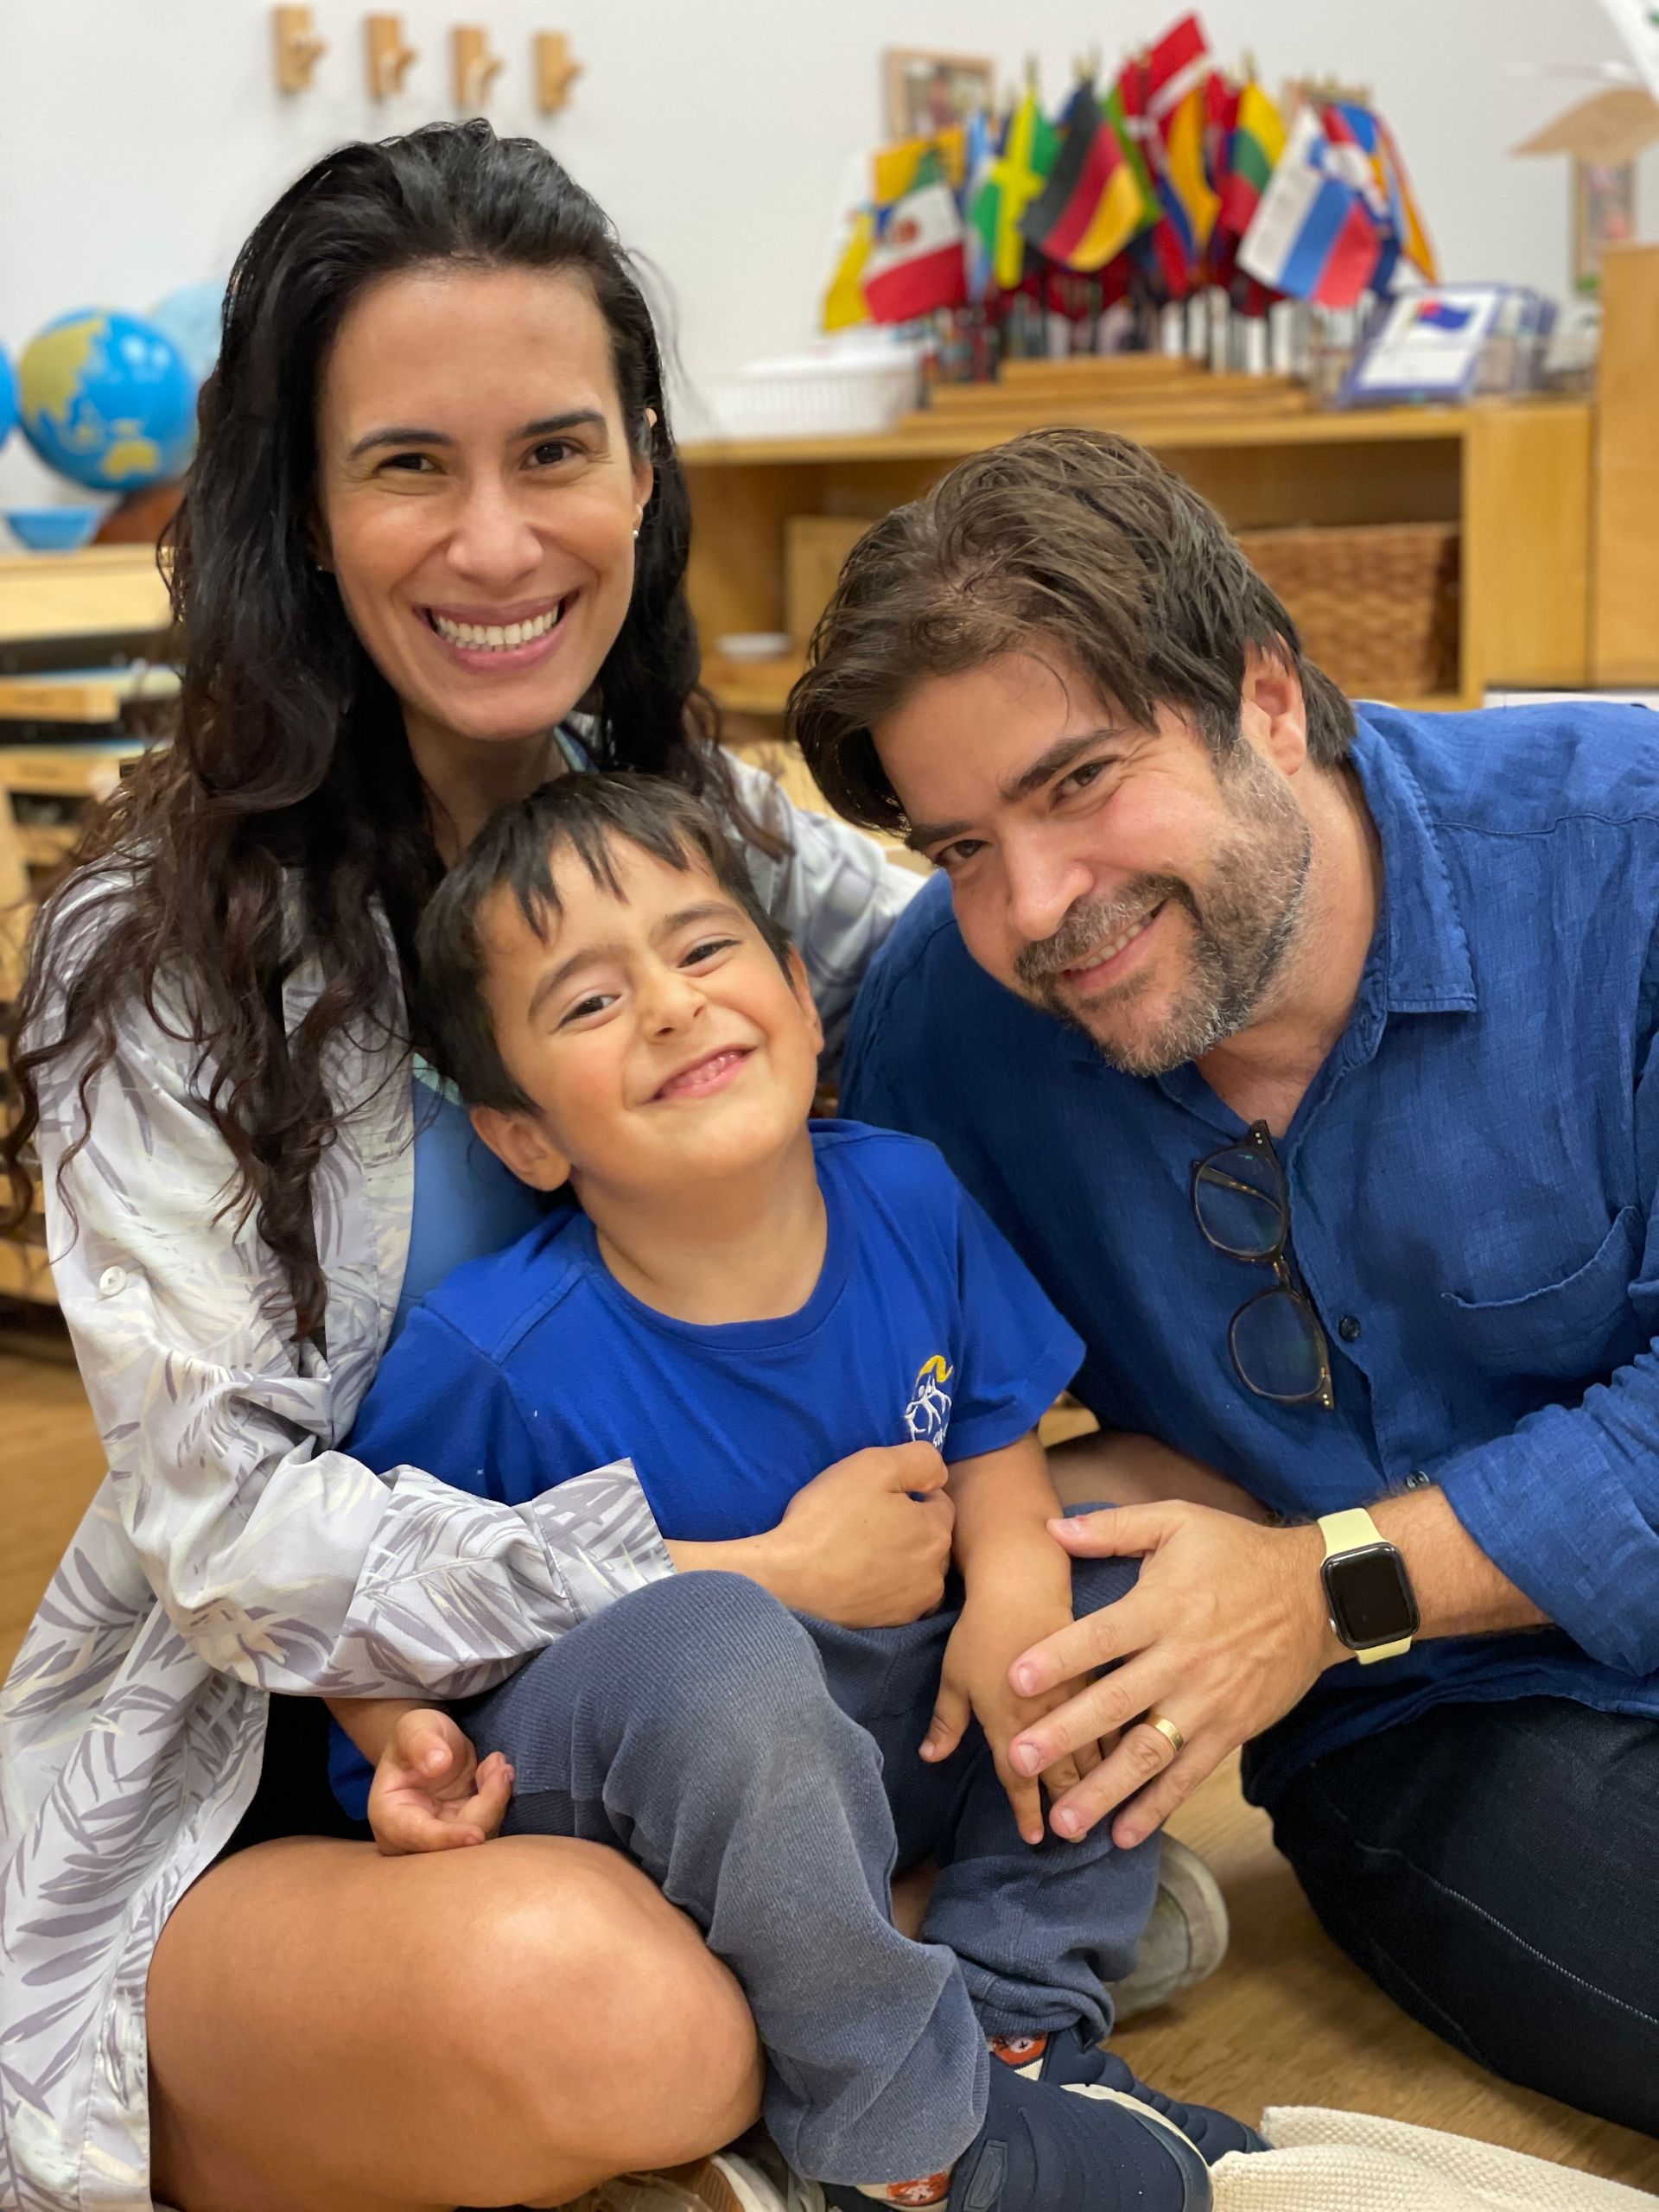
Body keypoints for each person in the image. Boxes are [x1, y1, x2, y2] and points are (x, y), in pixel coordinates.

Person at [0, 123, 930, 2212]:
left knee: (1103, 1538)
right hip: (314, 1768)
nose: (500, 545)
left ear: (646, 469)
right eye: (411, 462)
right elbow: (236, 1542)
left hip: (713, 1695)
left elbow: (954, 981)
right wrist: (731, 1579)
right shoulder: (154, 946)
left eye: (559, 451)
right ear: (302, 511)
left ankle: (793, 1987)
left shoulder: (709, 823)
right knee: (626, 2015)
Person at [790, 426, 1659, 2137]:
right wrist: (1035, 1503)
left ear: (1268, 698)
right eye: (962, 845)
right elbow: (900, 1413)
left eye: (1078, 781)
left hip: (1335, 1617)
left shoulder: (1620, 859)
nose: (1038, 904)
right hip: (1438, 1726)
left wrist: (1323, 1577)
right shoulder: (930, 1045)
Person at [320, 769, 1262, 2212]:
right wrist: (401, 1746)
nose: (672, 1005)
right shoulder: (492, 1358)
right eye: (587, 1003)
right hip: (651, 1798)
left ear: (804, 1005)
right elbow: (361, 1593)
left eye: (703, 951)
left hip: (890, 1736)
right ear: (524, 1136)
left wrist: (1014, 1598)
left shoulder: (906, 1195)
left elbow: (997, 1437)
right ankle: (909, 2146)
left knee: (1120, 1569)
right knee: (720, 1639)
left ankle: (1019, 2028)